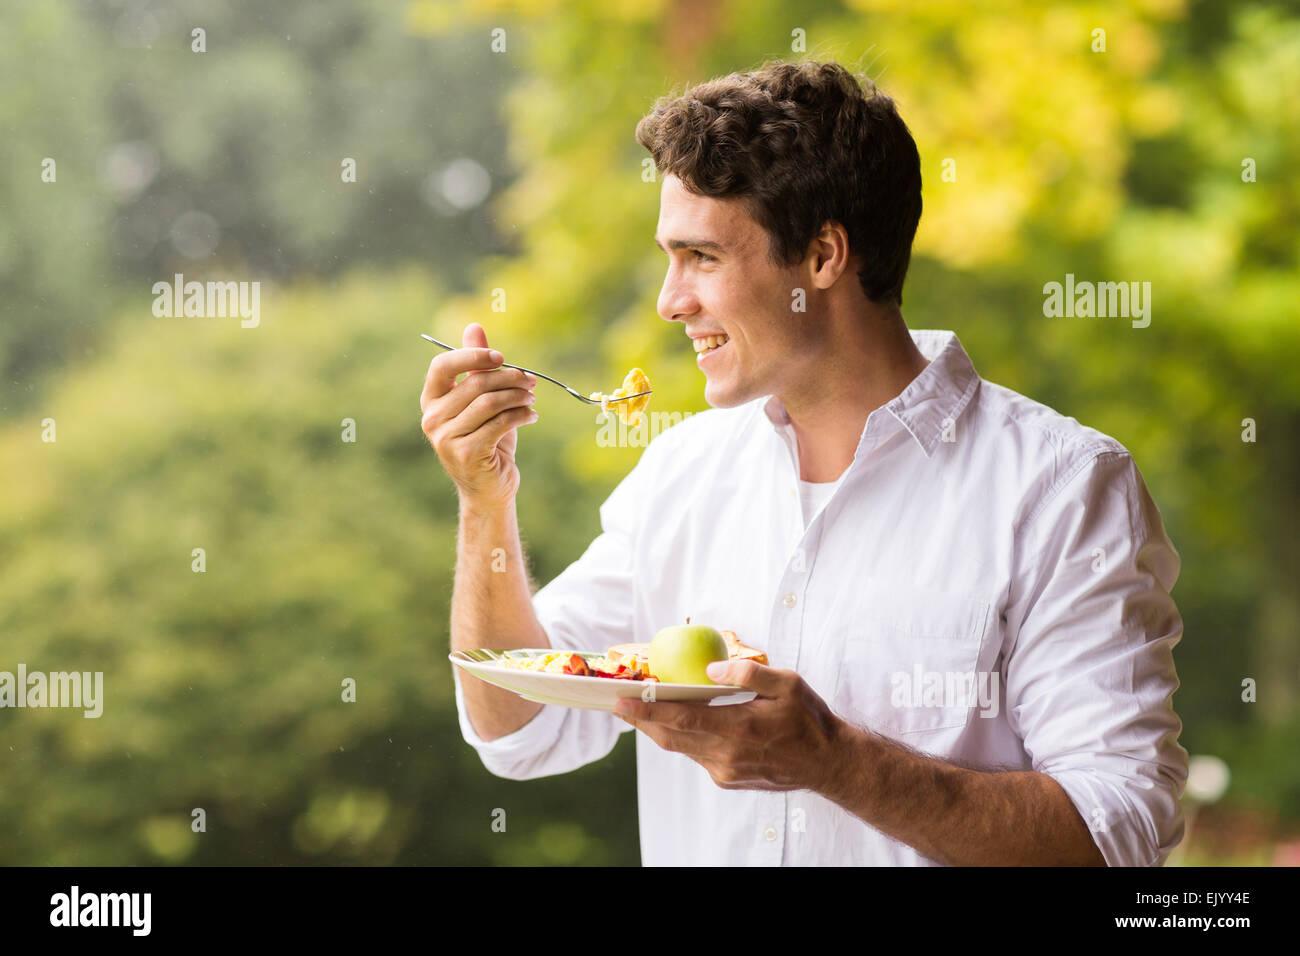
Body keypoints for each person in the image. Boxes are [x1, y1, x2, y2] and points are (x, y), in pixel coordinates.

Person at [419, 59, 1188, 866]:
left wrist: (836, 762)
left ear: (823, 257)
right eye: (667, 257)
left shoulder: (1063, 488)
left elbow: (1117, 834)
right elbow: (518, 726)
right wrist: (484, 498)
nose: (669, 300)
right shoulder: (681, 473)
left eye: (702, 258)